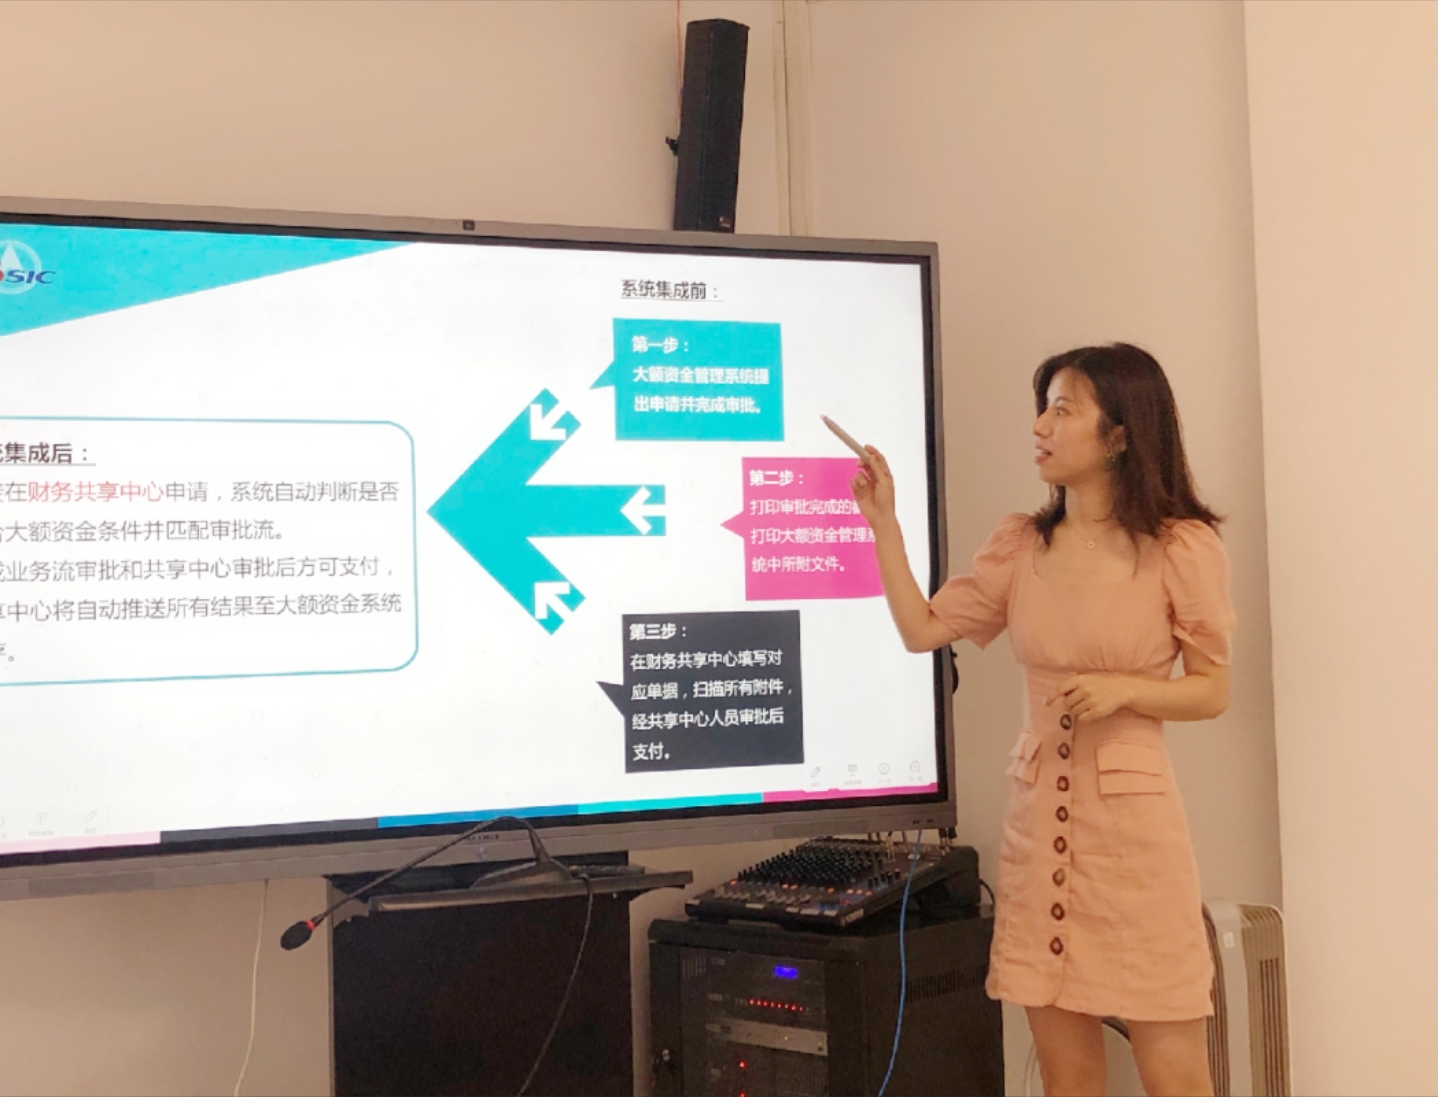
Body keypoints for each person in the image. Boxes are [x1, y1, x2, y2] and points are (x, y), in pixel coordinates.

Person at [852, 343, 1233, 1097]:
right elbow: (922, 629)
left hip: (1136, 838)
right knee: (1067, 1075)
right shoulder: (1021, 544)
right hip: (1038, 827)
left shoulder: (1180, 546)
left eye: (1063, 410)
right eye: (1043, 408)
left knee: (1176, 1071)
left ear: (1119, 434)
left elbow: (1213, 688)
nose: (1040, 426)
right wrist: (883, 524)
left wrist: (1127, 689)